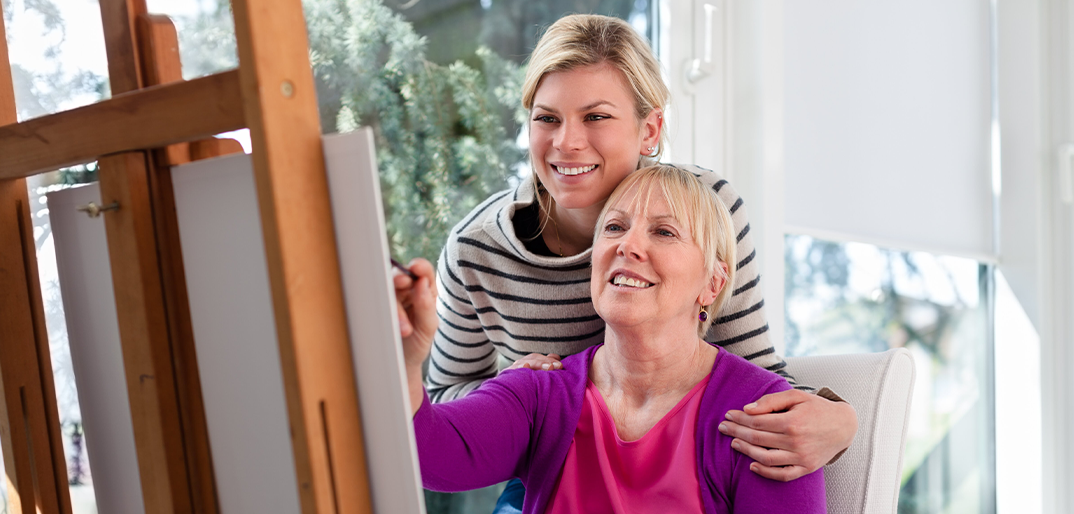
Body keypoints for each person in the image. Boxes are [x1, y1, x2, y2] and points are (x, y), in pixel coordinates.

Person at [426, 12, 857, 488]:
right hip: (550, 469)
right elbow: (443, 398)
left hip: (681, 465)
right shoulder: (477, 251)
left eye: (596, 117)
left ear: (650, 130)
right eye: (547, 118)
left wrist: (841, 420)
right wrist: (510, 392)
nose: (566, 142)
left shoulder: (708, 211)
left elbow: (755, 377)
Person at [395, 166, 827, 514]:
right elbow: (427, 453)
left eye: (664, 232)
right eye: (616, 227)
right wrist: (407, 359)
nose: (628, 245)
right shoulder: (540, 391)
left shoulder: (766, 418)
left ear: (713, 284)